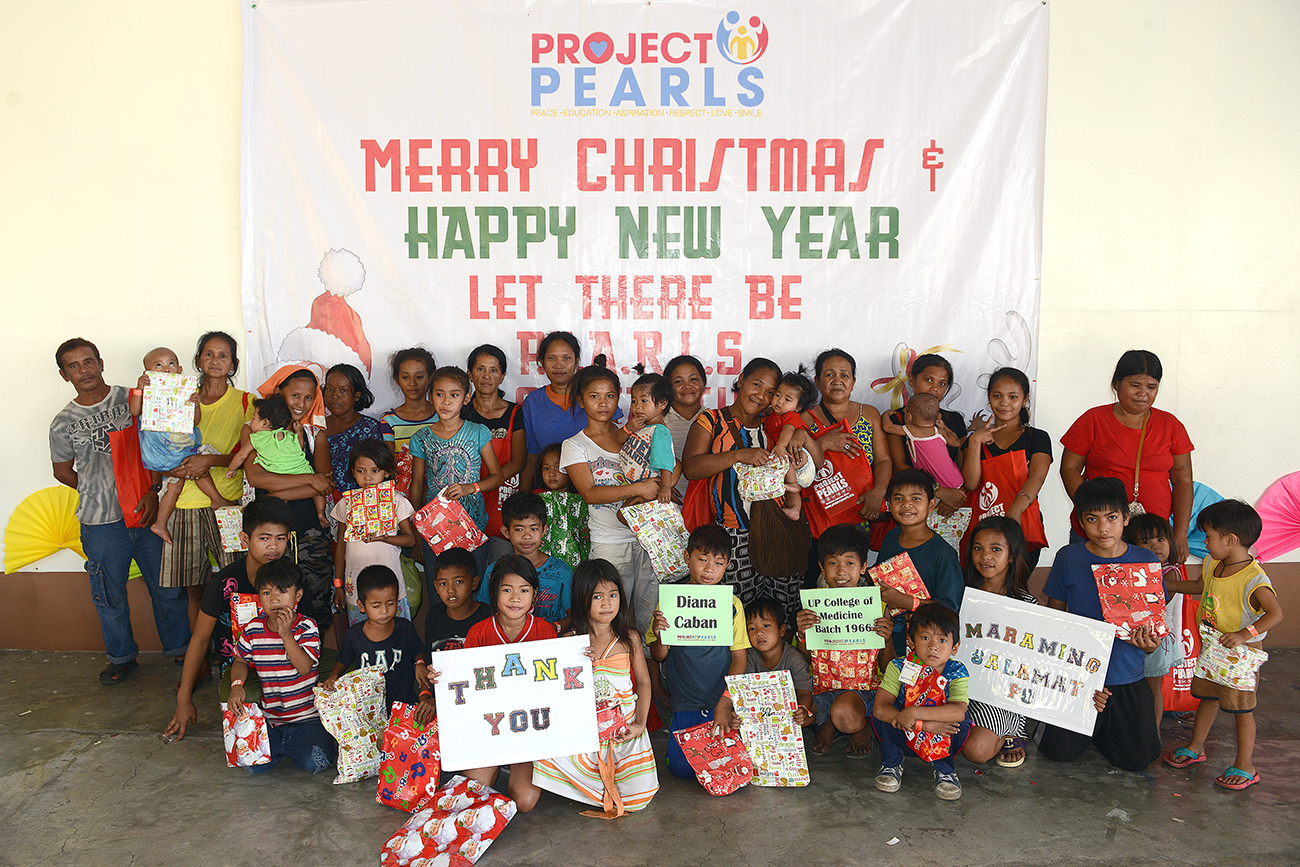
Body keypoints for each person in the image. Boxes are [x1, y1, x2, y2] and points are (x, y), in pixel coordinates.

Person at [50, 337, 190, 685]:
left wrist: (153, 491)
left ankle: (182, 651)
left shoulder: (134, 398)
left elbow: (160, 444)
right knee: (109, 595)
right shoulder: (62, 423)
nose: (83, 370)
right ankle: (122, 658)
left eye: (88, 361)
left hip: (146, 513)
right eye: (73, 366)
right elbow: (62, 471)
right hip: (99, 523)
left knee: (167, 588)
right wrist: (96, 489)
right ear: (64, 375)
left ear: (101, 363)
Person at [1038, 477, 1163, 772]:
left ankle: (1104, 728)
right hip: (1080, 672)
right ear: (1081, 522)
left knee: (1138, 760)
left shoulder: (1145, 560)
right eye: (1092, 519)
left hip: (1126, 672)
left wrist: (1149, 646)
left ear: (1126, 518)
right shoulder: (1069, 557)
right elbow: (1056, 616)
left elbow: (1154, 625)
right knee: (1058, 752)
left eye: (1111, 518)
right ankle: (1094, 725)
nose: (1103, 528)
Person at [682, 358, 817, 615]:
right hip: (731, 534)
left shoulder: (775, 425)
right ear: (741, 379)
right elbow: (691, 467)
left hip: (779, 529)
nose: (761, 396)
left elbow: (804, 425)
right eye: (756, 384)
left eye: (771, 392)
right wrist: (738, 455)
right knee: (735, 613)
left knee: (782, 612)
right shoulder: (711, 420)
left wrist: (801, 433)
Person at [164, 498, 308, 740]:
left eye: (280, 538)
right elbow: (200, 640)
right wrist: (183, 699)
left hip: (288, 663)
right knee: (247, 706)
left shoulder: (294, 579)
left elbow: (310, 631)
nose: (273, 547)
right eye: (264, 538)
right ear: (244, 540)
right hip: (241, 668)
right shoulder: (223, 583)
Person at [1163, 500, 1282, 791]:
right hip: (1213, 646)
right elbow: (1201, 587)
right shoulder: (1213, 563)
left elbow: (1275, 614)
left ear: (1230, 540)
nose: (1205, 542)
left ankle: (1245, 765)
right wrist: (1166, 585)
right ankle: (1196, 746)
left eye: (1208, 536)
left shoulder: (1254, 579)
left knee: (1241, 708)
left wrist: (1243, 634)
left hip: (1241, 654)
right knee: (1208, 697)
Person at [531, 560, 660, 817]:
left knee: (639, 800)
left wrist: (640, 724)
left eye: (613, 595)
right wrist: (577, 666)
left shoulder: (630, 638)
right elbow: (557, 692)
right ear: (582, 600)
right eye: (597, 597)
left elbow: (645, 682)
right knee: (544, 762)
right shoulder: (570, 641)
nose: (607, 604)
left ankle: (605, 788)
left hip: (625, 731)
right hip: (586, 731)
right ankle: (598, 787)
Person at [159, 332, 254, 633]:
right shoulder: (180, 396)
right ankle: (199, 656)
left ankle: (239, 652)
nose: (215, 360)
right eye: (209, 354)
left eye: (223, 355)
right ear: (198, 360)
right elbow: (158, 442)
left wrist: (210, 460)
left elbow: (251, 455)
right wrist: (170, 467)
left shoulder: (246, 402)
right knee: (195, 589)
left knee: (239, 585)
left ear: (233, 364)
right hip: (184, 505)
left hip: (228, 505)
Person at [1060, 349, 1194, 561]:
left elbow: (1183, 480)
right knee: (1089, 581)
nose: (1143, 393)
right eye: (1135, 385)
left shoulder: (1171, 425)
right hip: (1100, 533)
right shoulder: (1092, 420)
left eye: (1151, 387)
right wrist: (1091, 509)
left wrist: (1180, 533)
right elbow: (1069, 468)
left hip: (1153, 536)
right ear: (1117, 384)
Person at [560, 360, 662, 636]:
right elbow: (590, 494)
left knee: (649, 615)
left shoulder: (636, 434)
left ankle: (644, 661)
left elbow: (668, 466)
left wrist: (662, 484)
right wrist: (639, 489)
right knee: (610, 617)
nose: (603, 403)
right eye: (594, 396)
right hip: (609, 542)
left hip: (648, 537)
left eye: (610, 396)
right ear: (581, 401)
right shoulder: (574, 445)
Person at [454, 554, 559, 811]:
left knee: (524, 801)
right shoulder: (479, 632)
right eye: (507, 590)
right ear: (494, 593)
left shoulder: (544, 631)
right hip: (490, 728)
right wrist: (445, 677)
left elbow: (554, 687)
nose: (515, 598)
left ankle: (518, 765)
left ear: (535, 595)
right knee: (473, 791)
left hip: (529, 731)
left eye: (524, 590)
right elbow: (465, 682)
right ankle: (498, 763)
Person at [646, 524, 750, 780]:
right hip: (686, 700)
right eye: (702, 559)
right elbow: (658, 655)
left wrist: (726, 701)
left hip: (720, 699)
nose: (709, 569)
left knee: (731, 765)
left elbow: (739, 657)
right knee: (683, 768)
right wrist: (661, 636)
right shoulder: (671, 600)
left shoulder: (731, 604)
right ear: (687, 557)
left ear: (727, 565)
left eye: (718, 563)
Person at [244, 366, 336, 635]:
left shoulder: (315, 435)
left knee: (315, 605)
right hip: (269, 537)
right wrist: (308, 480)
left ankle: (312, 657)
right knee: (269, 605)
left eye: (308, 398)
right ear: (278, 392)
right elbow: (256, 477)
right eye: (295, 395)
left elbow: (324, 484)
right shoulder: (256, 429)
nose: (301, 404)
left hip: (311, 535)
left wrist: (278, 493)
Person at [794, 523, 894, 757]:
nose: (841, 572)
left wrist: (887, 641)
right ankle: (828, 721)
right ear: (821, 567)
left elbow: (888, 666)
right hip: (820, 687)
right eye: (833, 563)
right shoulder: (813, 605)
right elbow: (803, 659)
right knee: (795, 716)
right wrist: (802, 635)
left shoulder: (877, 607)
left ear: (863, 567)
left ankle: (860, 726)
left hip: (862, 688)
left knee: (845, 715)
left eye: (850, 563)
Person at [227, 559, 335, 775]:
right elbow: (240, 660)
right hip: (271, 718)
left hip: (307, 717)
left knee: (318, 762)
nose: (274, 599)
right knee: (251, 766)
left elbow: (304, 667)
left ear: (298, 595)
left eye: (283, 591)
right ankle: (281, 745)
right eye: (266, 593)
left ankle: (286, 747)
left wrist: (286, 635)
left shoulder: (307, 627)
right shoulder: (253, 629)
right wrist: (237, 685)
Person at [800, 349, 891, 583]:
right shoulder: (805, 419)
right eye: (829, 374)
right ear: (817, 381)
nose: (837, 380)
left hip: (863, 511)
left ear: (853, 381)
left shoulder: (869, 414)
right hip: (822, 516)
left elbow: (883, 460)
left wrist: (879, 492)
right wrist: (822, 444)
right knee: (825, 580)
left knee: (859, 579)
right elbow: (796, 465)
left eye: (844, 375)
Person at [129, 346, 233, 545]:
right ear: (147, 372)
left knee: (175, 486)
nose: (166, 369)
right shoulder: (147, 391)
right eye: (158, 365)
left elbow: (195, 421)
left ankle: (160, 523)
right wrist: (139, 388)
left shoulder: (185, 391)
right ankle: (216, 499)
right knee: (196, 468)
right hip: (161, 450)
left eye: (171, 364)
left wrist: (195, 405)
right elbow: (135, 411)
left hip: (178, 447)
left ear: (179, 370)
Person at [410, 365, 505, 579]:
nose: (446, 401)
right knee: (438, 584)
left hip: (472, 525)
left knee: (473, 582)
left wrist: (471, 488)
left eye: (454, 395)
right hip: (434, 528)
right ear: (430, 396)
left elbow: (497, 477)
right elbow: (416, 486)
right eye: (439, 394)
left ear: (466, 398)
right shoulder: (421, 438)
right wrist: (417, 530)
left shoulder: (478, 432)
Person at [958, 517, 1039, 768]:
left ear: (1012, 555)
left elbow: (1033, 667)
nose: (985, 556)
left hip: (999, 694)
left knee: (977, 750)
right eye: (978, 548)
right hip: (959, 685)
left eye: (996, 549)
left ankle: (1014, 730)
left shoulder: (1028, 606)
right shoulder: (960, 595)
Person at [871, 603, 970, 800]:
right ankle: (892, 763)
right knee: (884, 715)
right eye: (925, 638)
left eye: (942, 640)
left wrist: (914, 713)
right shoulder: (899, 666)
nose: (933, 646)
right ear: (911, 641)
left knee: (961, 723)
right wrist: (923, 725)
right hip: (905, 733)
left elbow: (959, 711)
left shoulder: (956, 671)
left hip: (938, 734)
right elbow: (880, 709)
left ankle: (944, 770)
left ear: (955, 647)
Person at [962, 367, 1052, 569]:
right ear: (989, 397)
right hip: (983, 531)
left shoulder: (1037, 438)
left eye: (1013, 397)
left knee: (1016, 584)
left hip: (1022, 525)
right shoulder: (976, 440)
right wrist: (975, 442)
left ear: (1025, 399)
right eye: (997, 396)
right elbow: (971, 483)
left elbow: (1037, 477)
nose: (1004, 402)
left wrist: (1015, 511)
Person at [876, 469, 965, 655]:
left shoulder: (943, 553)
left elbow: (950, 608)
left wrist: (905, 602)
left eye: (916, 498)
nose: (906, 505)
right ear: (889, 504)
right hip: (891, 635)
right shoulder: (891, 537)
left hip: (927, 646)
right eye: (899, 498)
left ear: (931, 504)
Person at [331, 440, 416, 625]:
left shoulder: (396, 501)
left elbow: (410, 540)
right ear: (353, 472)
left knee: (397, 632)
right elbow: (341, 546)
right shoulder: (346, 504)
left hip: (391, 586)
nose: (368, 477)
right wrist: (338, 584)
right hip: (356, 589)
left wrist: (386, 538)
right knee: (361, 633)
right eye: (361, 471)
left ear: (386, 473)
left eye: (375, 471)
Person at [322, 565, 426, 715]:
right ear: (361, 606)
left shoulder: (405, 628)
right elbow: (343, 659)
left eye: (390, 603)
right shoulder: (354, 635)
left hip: (403, 705)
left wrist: (420, 663)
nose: (384, 611)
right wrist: (333, 676)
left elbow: (418, 650)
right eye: (376, 606)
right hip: (369, 709)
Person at [1122, 512, 1194, 724]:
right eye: (1145, 541)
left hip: (1157, 641)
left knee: (1152, 688)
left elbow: (1157, 596)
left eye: (1161, 539)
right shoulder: (1132, 571)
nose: (1155, 546)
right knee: (1132, 688)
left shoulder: (1170, 572)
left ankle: (1154, 731)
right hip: (1132, 638)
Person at [463, 344, 528, 562]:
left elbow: (519, 461)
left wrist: (489, 481)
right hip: (468, 501)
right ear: (470, 374)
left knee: (502, 567)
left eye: (494, 370)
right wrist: (474, 488)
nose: (486, 376)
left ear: (502, 376)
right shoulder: (460, 412)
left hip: (502, 502)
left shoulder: (515, 413)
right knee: (470, 568)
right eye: (480, 369)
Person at [885, 353, 967, 520]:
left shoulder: (954, 420)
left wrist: (955, 497)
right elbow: (899, 466)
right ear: (912, 380)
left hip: (952, 504)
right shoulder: (897, 419)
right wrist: (939, 491)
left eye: (942, 383)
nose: (934, 388)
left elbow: (963, 465)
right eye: (928, 380)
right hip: (910, 505)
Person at [227, 394, 328, 526]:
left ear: (265, 423)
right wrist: (298, 431)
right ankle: (320, 512)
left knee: (274, 491)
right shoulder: (287, 435)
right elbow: (299, 445)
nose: (251, 421)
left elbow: (241, 456)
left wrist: (231, 469)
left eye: (254, 418)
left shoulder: (256, 438)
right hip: (302, 471)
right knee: (319, 490)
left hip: (278, 474)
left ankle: (282, 499)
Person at [475, 492, 573, 629]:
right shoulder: (494, 571)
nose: (527, 536)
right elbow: (485, 612)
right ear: (506, 532)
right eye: (519, 529)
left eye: (534, 528)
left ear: (544, 530)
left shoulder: (562, 572)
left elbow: (574, 615)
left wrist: (553, 628)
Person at [715, 595, 814, 728]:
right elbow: (745, 692)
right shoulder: (749, 656)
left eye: (766, 625)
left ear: (782, 630)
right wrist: (739, 715)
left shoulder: (794, 658)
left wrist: (802, 709)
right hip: (760, 714)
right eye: (752, 628)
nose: (759, 633)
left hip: (788, 714)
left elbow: (804, 692)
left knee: (807, 718)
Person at [521, 332, 588, 492]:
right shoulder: (534, 402)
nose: (559, 365)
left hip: (592, 488)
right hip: (550, 491)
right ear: (542, 362)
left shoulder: (593, 396)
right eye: (552, 358)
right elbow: (532, 456)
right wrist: (523, 497)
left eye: (566, 358)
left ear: (576, 361)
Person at [321, 362, 394, 498]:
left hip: (362, 503)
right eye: (330, 389)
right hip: (324, 501)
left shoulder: (369, 428)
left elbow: (377, 472)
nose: (335, 395)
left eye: (343, 390)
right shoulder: (316, 428)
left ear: (357, 395)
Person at [380, 346, 437, 497]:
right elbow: (389, 464)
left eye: (419, 377)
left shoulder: (442, 416)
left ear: (430, 378)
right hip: (402, 495)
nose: (412, 383)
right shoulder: (389, 420)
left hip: (436, 494)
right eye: (405, 377)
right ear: (397, 380)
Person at [621, 367, 680, 505]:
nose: (637, 406)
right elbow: (617, 440)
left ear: (663, 403)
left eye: (644, 401)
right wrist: (628, 428)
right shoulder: (639, 425)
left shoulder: (659, 431)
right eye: (634, 401)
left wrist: (665, 487)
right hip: (635, 485)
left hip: (649, 488)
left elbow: (665, 462)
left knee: (623, 514)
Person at [882, 393, 964, 490]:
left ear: (909, 417)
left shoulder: (911, 430)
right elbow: (956, 442)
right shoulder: (939, 431)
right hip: (956, 479)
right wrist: (944, 427)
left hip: (936, 484)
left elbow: (887, 427)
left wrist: (886, 414)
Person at [765, 369, 817, 521]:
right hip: (792, 462)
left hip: (802, 460)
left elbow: (788, 430)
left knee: (786, 469)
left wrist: (781, 447)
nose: (780, 401)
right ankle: (794, 510)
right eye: (777, 395)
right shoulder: (776, 413)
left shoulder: (791, 416)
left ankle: (793, 485)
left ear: (798, 407)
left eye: (787, 399)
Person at [424, 547, 492, 655]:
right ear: (436, 587)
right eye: (443, 584)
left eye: (458, 582)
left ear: (474, 583)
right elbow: (430, 658)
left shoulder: (488, 616)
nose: (451, 590)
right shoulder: (434, 616)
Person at [536, 441, 591, 569]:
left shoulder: (583, 499)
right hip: (544, 563)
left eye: (558, 467)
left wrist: (591, 533)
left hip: (577, 563)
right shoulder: (536, 499)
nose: (551, 473)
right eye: (546, 468)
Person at [662, 355, 708, 497]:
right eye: (678, 381)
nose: (687, 386)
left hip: (704, 504)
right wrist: (659, 487)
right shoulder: (657, 421)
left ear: (703, 383)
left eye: (693, 379)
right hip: (667, 504)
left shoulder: (715, 420)